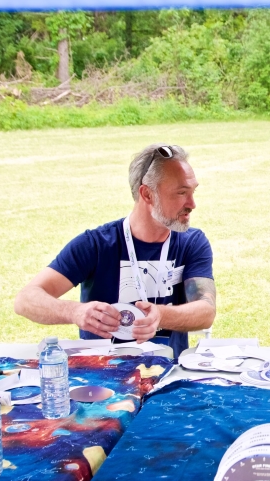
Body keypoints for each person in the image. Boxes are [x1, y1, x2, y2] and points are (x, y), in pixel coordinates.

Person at [14, 143, 216, 358]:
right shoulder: (96, 244)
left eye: (193, 191)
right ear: (147, 194)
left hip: (168, 372)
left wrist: (161, 315)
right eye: (181, 193)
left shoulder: (191, 242)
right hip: (103, 376)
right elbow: (25, 300)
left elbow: (206, 311)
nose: (192, 203)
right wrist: (75, 311)